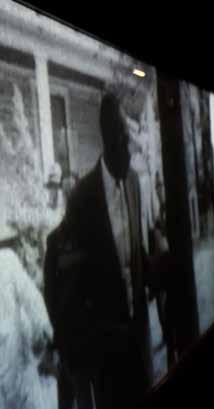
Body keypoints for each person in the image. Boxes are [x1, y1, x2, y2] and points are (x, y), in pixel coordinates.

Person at [43, 90, 168, 409]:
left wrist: (157, 270)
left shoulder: (135, 183)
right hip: (105, 348)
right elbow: (72, 281)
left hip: (138, 333)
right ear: (108, 141)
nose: (130, 150)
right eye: (123, 141)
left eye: (130, 142)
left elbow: (136, 253)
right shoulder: (81, 199)